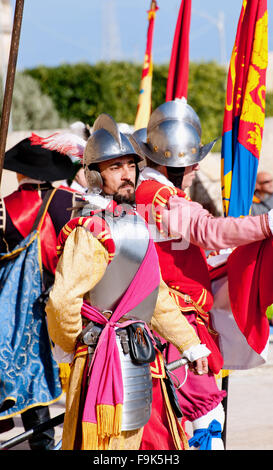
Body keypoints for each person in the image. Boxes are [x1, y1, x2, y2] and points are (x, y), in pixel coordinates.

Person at [45, 113, 210, 451]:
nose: (126, 174)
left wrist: (189, 343)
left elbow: (155, 294)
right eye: (114, 167)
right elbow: (62, 301)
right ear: (95, 175)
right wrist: (72, 346)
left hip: (143, 361)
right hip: (100, 366)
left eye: (129, 165)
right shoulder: (90, 229)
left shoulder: (134, 222)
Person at [132, 99, 273, 450]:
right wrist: (266, 224)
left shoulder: (144, 194)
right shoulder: (164, 199)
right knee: (205, 419)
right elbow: (208, 232)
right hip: (174, 325)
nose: (196, 166)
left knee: (174, 424)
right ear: (174, 164)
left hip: (161, 322)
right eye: (191, 160)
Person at [0, 136, 84, 450]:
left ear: (20, 173)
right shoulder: (69, 199)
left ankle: (42, 440)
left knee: (30, 369)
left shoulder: (4, 206)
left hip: (19, 305)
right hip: (71, 298)